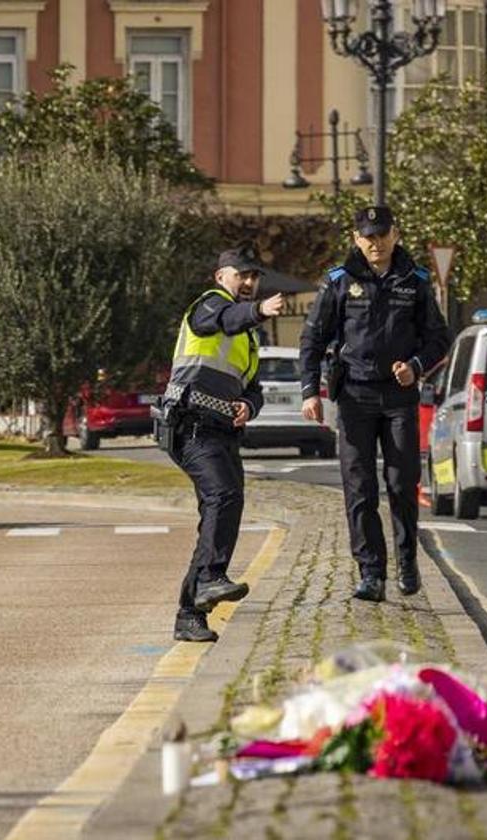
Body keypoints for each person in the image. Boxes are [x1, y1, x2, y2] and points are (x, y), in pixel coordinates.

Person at [299, 206, 450, 602]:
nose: (375, 242)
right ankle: (370, 572)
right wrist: (309, 392)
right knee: (359, 488)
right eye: (367, 235)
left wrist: (416, 367)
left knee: (402, 484)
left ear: (395, 235)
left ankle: (407, 561)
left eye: (382, 234)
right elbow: (312, 339)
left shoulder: (415, 281)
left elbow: (438, 338)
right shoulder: (338, 281)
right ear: (356, 238)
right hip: (354, 396)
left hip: (399, 397)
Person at [160, 247, 285, 642]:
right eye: (241, 275)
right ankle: (211, 577)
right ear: (221, 277)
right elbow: (226, 319)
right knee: (223, 497)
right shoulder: (210, 306)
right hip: (190, 426)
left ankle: (189, 614)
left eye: (254, 277)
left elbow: (253, 388)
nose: (248, 283)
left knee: (222, 510)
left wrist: (249, 405)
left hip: (222, 431)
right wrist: (259, 310)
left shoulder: (247, 334)